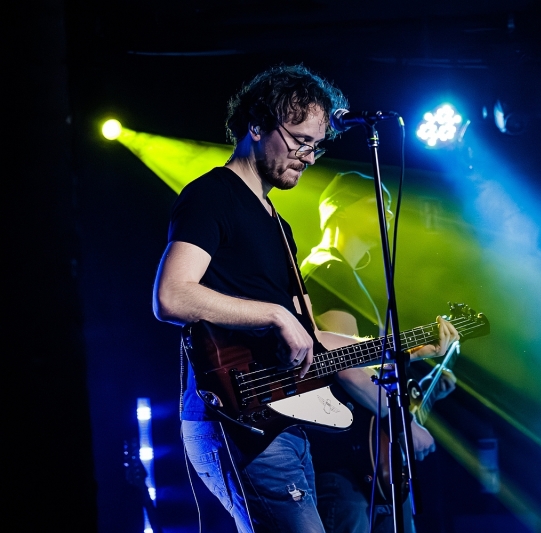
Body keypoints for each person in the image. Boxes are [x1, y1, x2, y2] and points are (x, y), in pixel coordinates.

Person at [152, 65, 459, 533]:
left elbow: (313, 340)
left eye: (316, 145)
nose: (310, 157)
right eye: (299, 141)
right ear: (257, 125)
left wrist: (408, 347)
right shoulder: (211, 197)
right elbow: (171, 296)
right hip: (236, 412)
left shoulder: (280, 225)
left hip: (283, 417)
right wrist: (275, 314)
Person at [300, 171, 458, 533]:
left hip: (367, 465)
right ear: (337, 207)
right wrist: (406, 426)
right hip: (349, 465)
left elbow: (363, 359)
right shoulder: (329, 271)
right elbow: (347, 368)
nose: (389, 214)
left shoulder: (341, 273)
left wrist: (417, 357)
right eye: (378, 204)